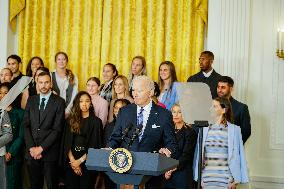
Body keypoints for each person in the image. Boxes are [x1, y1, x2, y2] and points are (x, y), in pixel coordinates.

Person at [108, 75, 177, 189]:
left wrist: (167, 151)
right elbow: (115, 138)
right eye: (133, 90)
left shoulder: (164, 115)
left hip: (151, 175)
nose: (135, 93)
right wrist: (109, 149)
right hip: (125, 172)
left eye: (139, 90)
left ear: (150, 92)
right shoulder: (125, 112)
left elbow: (172, 143)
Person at [193, 97, 249, 188]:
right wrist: (199, 178)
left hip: (226, 181)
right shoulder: (203, 129)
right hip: (207, 180)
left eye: (214, 106)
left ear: (223, 110)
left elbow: (239, 155)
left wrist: (236, 180)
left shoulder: (234, 130)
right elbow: (199, 156)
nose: (210, 108)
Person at [23, 71, 65, 189]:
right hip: (31, 154)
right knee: (34, 185)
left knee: (52, 185)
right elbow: (26, 125)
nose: (43, 85)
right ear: (37, 84)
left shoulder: (59, 102)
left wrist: (41, 149)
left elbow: (57, 130)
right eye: (40, 82)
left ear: (51, 84)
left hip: (49, 154)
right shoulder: (31, 100)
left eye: (46, 82)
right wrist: (32, 148)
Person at [62, 91, 103, 189]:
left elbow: (95, 146)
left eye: (87, 101)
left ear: (90, 103)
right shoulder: (70, 120)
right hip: (71, 162)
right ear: (77, 103)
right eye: (81, 101)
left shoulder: (96, 122)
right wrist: (73, 162)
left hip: (88, 163)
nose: (84, 104)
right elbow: (66, 143)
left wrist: (79, 162)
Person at [163, 104, 197, 189]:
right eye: (174, 112)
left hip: (181, 174)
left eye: (179, 112)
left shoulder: (190, 132)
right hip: (165, 173)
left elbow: (186, 155)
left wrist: (172, 169)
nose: (176, 115)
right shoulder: (167, 130)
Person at [0, 83, 25, 189]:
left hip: (13, 156)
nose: (2, 95)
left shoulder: (20, 113)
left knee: (12, 184)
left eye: (6, 93)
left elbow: (21, 136)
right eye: (0, 93)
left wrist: (10, 152)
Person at [217, 76, 251, 144]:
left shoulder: (241, 108)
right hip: (212, 150)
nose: (219, 90)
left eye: (223, 87)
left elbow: (246, 132)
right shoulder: (211, 105)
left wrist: (234, 145)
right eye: (218, 87)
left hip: (232, 150)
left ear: (231, 89)